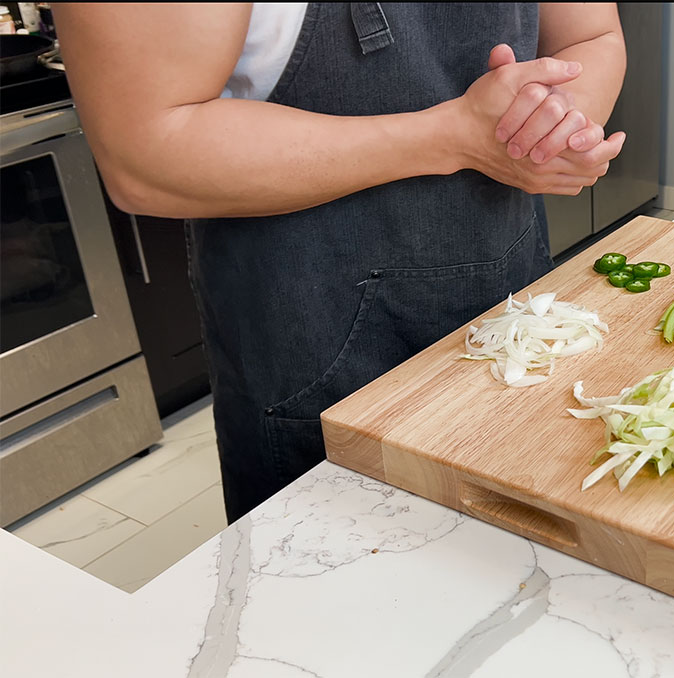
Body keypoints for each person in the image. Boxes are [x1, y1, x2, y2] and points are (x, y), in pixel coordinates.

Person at [55, 3, 627, 521]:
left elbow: (592, 36)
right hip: (314, 332)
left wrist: (552, 127)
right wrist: (453, 137)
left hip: (514, 295)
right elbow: (146, 152)